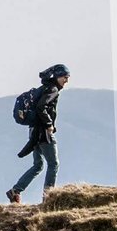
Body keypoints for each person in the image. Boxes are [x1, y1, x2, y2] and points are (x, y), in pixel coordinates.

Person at [7, 64, 70, 204]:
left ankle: (15, 191)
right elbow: (42, 107)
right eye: (65, 77)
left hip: (33, 131)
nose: (67, 81)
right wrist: (49, 125)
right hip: (43, 132)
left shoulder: (44, 88)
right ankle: (48, 198)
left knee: (38, 165)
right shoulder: (52, 89)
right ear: (57, 76)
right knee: (54, 164)